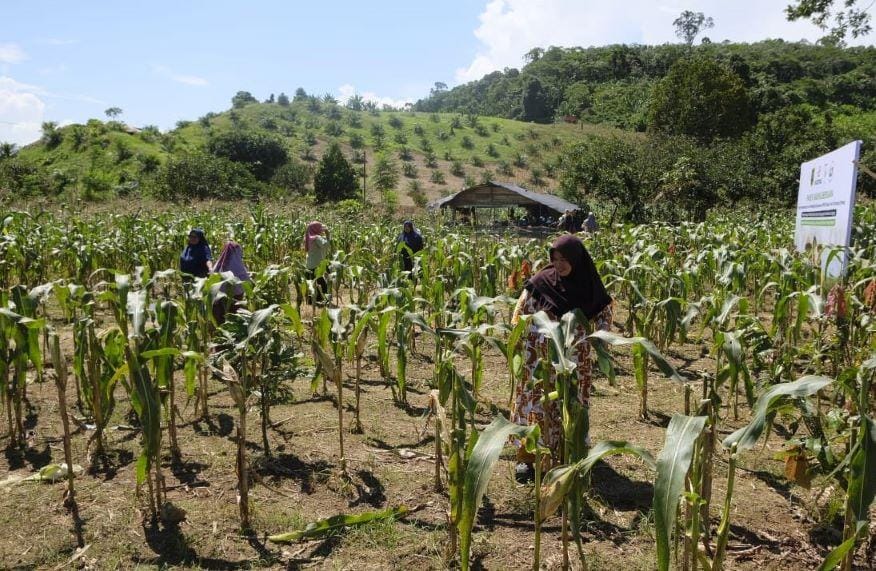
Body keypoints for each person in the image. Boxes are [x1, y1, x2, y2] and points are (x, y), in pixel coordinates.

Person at [510, 234, 613, 481]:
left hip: (575, 362)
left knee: (569, 407)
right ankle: (528, 458)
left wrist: (595, 342)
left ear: (577, 260)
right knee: (536, 406)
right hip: (539, 362)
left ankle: (568, 456)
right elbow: (519, 315)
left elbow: (604, 321)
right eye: (555, 259)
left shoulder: (591, 289)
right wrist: (524, 336)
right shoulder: (540, 282)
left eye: (564, 259)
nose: (559, 265)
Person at [211, 241, 251, 324]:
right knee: (232, 318)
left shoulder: (219, 264)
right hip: (235, 299)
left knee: (221, 319)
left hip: (218, 298)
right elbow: (246, 282)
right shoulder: (238, 265)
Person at [304, 221, 330, 303]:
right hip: (316, 264)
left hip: (309, 264)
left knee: (311, 284)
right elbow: (325, 245)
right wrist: (328, 235)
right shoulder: (317, 238)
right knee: (322, 284)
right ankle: (324, 299)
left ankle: (311, 300)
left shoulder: (307, 237)